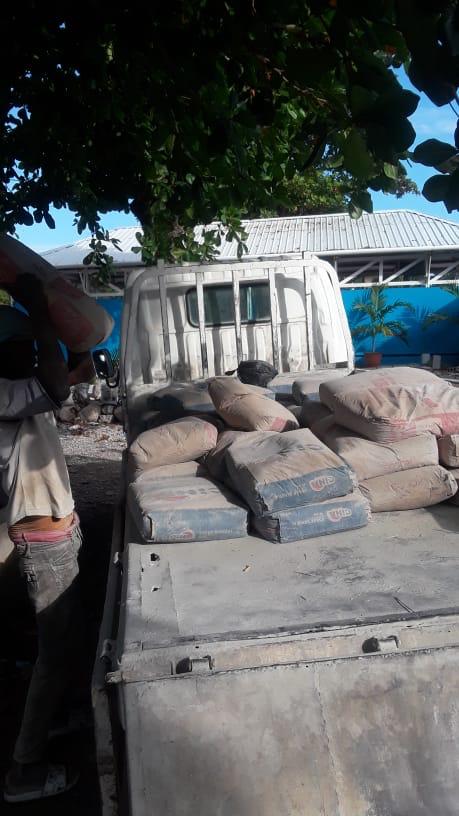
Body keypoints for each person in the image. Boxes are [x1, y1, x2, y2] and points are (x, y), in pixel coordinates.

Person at [1, 274, 81, 803]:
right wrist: (40, 311)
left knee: (60, 647)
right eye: (21, 348)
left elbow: (72, 375)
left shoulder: (20, 388)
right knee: (54, 653)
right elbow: (57, 385)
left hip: (53, 531)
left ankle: (53, 719)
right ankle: (24, 771)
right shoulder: (6, 392)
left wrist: (77, 340)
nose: (31, 355)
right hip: (41, 538)